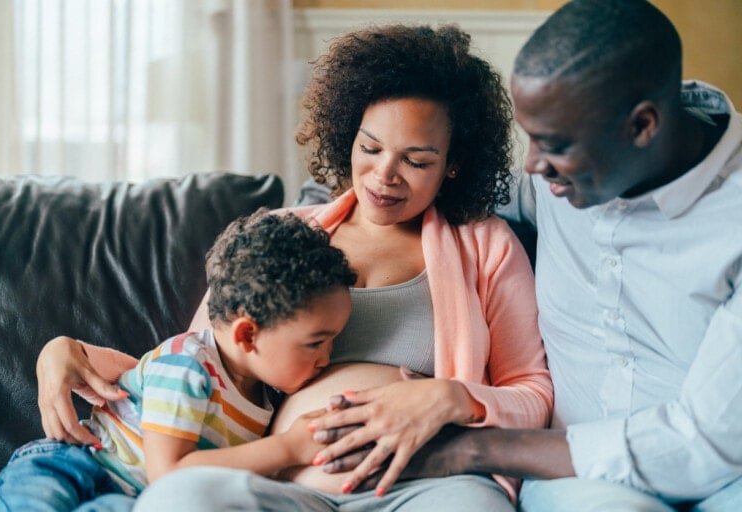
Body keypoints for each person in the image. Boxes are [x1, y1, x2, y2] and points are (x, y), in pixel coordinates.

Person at [34, 24, 553, 512]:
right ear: (348, 134)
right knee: (176, 499)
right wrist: (65, 350)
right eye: (370, 148)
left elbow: (532, 391)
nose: (384, 175)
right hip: (283, 489)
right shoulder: (281, 235)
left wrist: (447, 397)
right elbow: (204, 361)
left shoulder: (485, 244)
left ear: (453, 163)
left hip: (427, 487)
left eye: (416, 161)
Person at [327, 1, 741, 511]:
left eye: (554, 145)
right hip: (581, 484)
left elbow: (708, 442)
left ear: (642, 126)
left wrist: (468, 447)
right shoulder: (560, 175)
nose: (533, 166)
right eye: (530, 138)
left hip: (724, 471)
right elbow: (419, 181)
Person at [0, 209, 356, 511]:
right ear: (247, 335)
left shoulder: (264, 402)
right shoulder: (187, 364)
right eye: (316, 343)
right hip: (75, 467)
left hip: (128, 499)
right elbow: (169, 473)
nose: (328, 356)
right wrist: (289, 448)